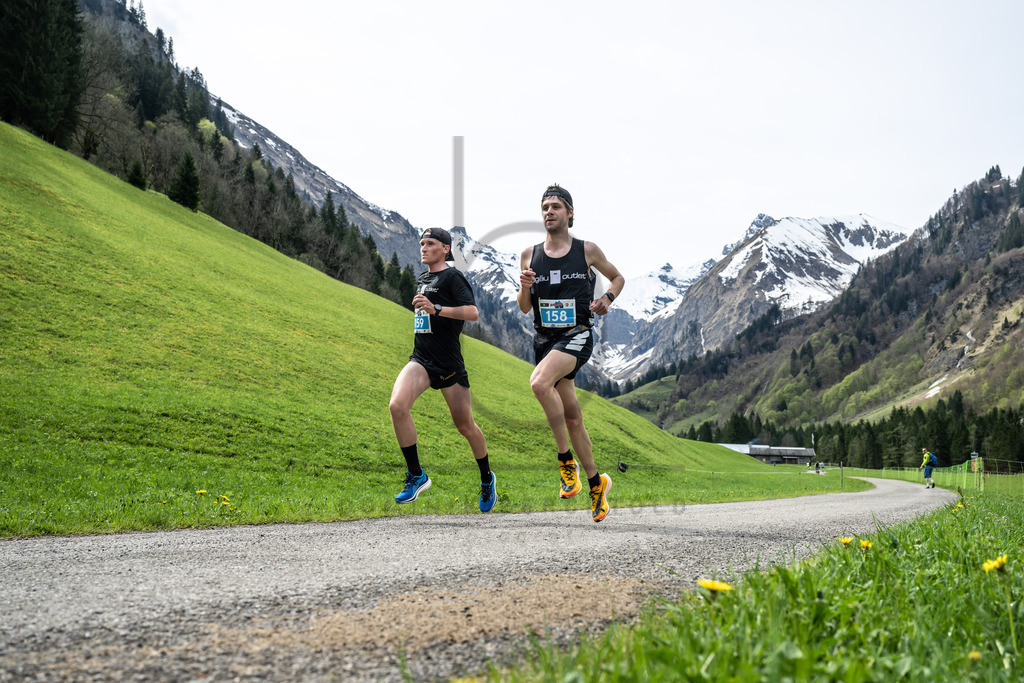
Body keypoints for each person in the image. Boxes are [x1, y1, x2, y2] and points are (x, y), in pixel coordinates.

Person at [517, 184, 625, 522]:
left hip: (577, 336)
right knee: (574, 417)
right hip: (545, 342)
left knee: (538, 384)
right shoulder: (528, 254)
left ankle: (566, 462)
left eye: (556, 207)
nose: (549, 212)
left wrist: (607, 299)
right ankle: (597, 485)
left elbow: (617, 278)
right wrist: (524, 287)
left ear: (570, 213)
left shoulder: (587, 250)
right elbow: (523, 308)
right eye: (544, 207)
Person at [389, 228, 496, 512]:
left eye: (430, 244)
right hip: (421, 359)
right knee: (397, 406)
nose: (423, 248)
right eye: (422, 243)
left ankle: (487, 478)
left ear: (445, 249)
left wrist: (436, 308)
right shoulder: (423, 279)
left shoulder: (453, 276)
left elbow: (472, 313)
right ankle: (416, 475)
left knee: (465, 426)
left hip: (449, 364)